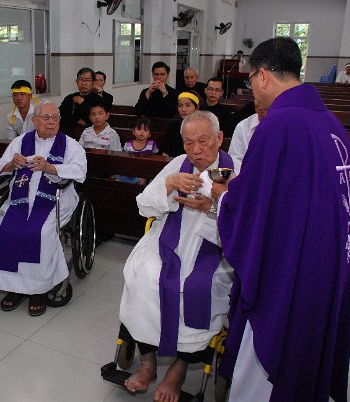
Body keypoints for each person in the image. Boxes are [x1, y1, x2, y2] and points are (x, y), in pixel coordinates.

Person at [212, 37, 350, 402]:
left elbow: (251, 204)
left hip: (290, 269)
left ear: (263, 76)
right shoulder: (329, 122)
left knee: (268, 367)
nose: (252, 89)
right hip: (327, 259)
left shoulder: (278, 124)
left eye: (250, 80)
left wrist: (223, 196)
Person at [119, 111, 234, 402]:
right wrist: (169, 184)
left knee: (197, 286)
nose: (195, 150)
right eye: (188, 143)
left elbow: (248, 220)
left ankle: (179, 368)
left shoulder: (237, 171)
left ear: (219, 138)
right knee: (144, 275)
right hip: (168, 235)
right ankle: (148, 363)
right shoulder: (177, 165)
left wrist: (211, 206)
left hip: (213, 243)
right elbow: (144, 205)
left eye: (203, 141)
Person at [0, 101, 87, 316]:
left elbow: (80, 172)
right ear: (34, 120)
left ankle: (38, 290)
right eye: (46, 117)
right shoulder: (19, 142)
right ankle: (15, 288)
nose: (51, 122)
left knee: (40, 232)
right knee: (5, 228)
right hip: (19, 200)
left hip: (54, 201)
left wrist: (50, 167)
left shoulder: (70, 145)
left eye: (55, 117)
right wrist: (11, 165)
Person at [112, 117, 159, 185]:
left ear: (149, 134)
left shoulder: (152, 144)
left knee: (142, 182)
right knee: (117, 180)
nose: (142, 132)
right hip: (129, 170)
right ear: (133, 131)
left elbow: (155, 157)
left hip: (144, 171)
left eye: (145, 130)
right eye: (139, 129)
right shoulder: (128, 145)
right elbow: (122, 159)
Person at [228, 99, 266, 174]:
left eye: (264, 100)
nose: (261, 105)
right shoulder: (242, 126)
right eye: (258, 100)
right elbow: (235, 158)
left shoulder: (283, 125)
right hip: (245, 175)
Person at [162, 91, 202, 157]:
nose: (183, 109)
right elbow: (165, 151)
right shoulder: (173, 126)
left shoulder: (202, 127)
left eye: (187, 105)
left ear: (196, 108)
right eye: (180, 106)